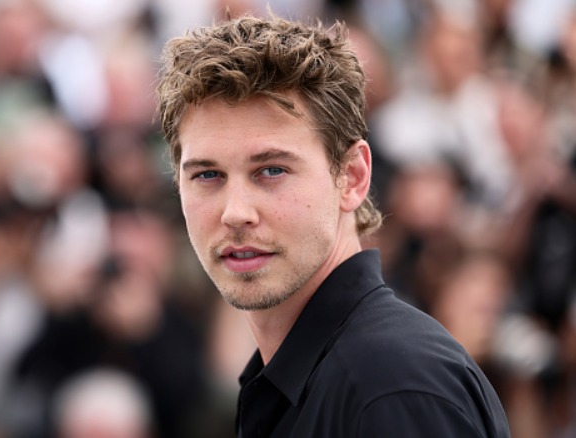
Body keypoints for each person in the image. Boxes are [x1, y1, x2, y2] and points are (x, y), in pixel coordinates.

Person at [156, 12, 510, 438]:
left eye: (271, 170)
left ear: (353, 177)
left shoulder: (391, 384)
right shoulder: (321, 379)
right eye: (207, 175)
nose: (235, 212)